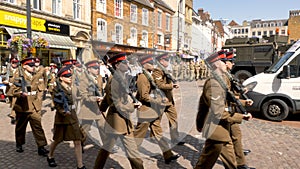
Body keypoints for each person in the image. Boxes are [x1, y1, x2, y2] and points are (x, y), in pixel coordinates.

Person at [194, 51, 252, 169]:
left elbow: (227, 100)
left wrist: (243, 103)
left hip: (221, 129)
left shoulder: (221, 81)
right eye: (223, 62)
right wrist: (241, 117)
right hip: (215, 130)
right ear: (215, 64)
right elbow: (218, 112)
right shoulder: (214, 84)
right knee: (205, 163)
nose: (227, 64)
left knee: (228, 163)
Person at [94, 53, 144, 169]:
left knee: (107, 150)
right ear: (117, 65)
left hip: (122, 120)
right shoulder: (115, 81)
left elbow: (107, 97)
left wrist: (102, 108)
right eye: (124, 62)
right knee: (130, 152)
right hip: (117, 121)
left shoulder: (120, 78)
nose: (127, 64)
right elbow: (117, 104)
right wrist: (132, 106)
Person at [133, 55, 181, 164]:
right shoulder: (142, 77)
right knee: (138, 136)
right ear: (144, 65)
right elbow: (144, 96)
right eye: (149, 62)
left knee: (158, 133)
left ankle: (167, 155)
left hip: (151, 110)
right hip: (145, 111)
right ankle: (132, 154)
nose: (152, 64)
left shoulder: (149, 75)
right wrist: (159, 101)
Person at [46, 66, 86, 169]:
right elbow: (57, 104)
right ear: (61, 78)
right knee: (57, 140)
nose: (70, 77)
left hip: (73, 116)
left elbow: (79, 96)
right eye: (67, 76)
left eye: (70, 76)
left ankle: (80, 166)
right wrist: (63, 111)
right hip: (62, 119)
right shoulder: (57, 89)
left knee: (77, 140)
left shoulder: (73, 87)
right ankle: (50, 155)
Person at [221, 51, 255, 169]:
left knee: (235, 137)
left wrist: (243, 99)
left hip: (230, 110)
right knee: (218, 144)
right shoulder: (222, 78)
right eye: (231, 62)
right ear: (225, 63)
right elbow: (228, 96)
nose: (232, 64)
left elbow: (231, 94)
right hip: (226, 112)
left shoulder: (228, 75)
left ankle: (240, 160)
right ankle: (239, 161)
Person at [10, 57, 49, 156]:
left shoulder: (36, 74)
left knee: (37, 126)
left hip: (34, 105)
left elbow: (41, 87)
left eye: (34, 65)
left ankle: (41, 146)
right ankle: (19, 144)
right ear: (24, 66)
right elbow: (12, 91)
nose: (33, 67)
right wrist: (20, 93)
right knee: (20, 127)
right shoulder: (18, 75)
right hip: (23, 105)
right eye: (31, 66)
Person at [152, 53, 185, 145]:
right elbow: (159, 85)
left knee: (173, 119)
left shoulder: (166, 70)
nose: (168, 62)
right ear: (161, 61)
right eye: (166, 60)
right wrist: (171, 85)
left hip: (169, 100)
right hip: (161, 100)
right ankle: (154, 136)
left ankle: (175, 138)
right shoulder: (157, 71)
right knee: (156, 120)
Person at [77, 60, 107, 148]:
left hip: (98, 107)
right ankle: (80, 143)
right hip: (88, 108)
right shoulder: (83, 79)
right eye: (95, 68)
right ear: (89, 69)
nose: (97, 70)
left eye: (98, 68)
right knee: (85, 129)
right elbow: (83, 95)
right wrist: (95, 98)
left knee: (103, 126)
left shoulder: (99, 78)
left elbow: (101, 90)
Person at [3, 57, 19, 124]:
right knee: (11, 103)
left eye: (15, 63)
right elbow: (3, 79)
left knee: (14, 103)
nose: (14, 64)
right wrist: (6, 82)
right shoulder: (7, 70)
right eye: (13, 62)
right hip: (9, 90)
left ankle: (13, 116)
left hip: (16, 89)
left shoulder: (20, 70)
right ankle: (15, 113)